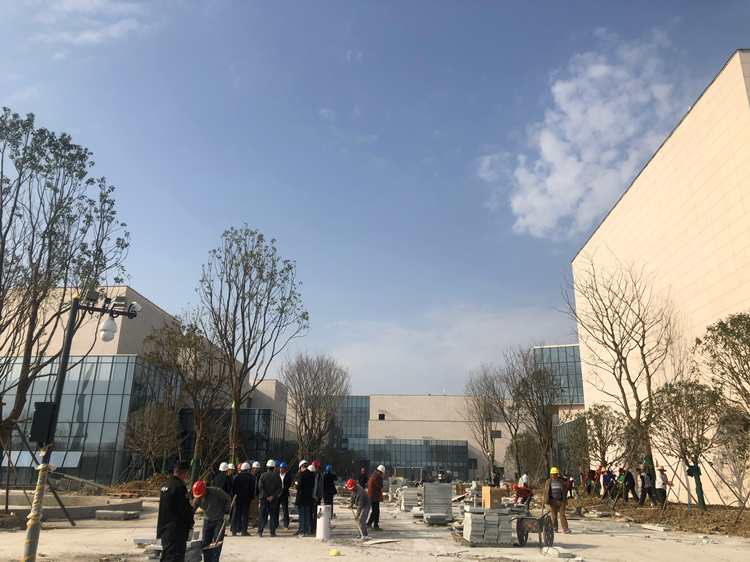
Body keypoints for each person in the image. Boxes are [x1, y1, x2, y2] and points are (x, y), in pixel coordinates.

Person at [157, 460, 195, 562]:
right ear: (186, 473)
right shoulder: (179, 487)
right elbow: (184, 509)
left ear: (174, 470)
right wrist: (190, 522)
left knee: (166, 557)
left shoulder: (166, 485)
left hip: (165, 531)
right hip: (176, 532)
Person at [192, 480, 231, 562]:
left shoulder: (217, 492)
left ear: (205, 490)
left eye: (201, 494)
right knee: (205, 542)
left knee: (217, 542)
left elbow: (228, 499)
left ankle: (214, 560)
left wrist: (226, 512)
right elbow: (192, 509)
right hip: (207, 520)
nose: (200, 497)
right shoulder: (198, 498)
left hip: (219, 520)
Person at [257, 459, 282, 537]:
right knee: (273, 516)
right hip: (273, 499)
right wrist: (273, 496)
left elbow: (260, 487)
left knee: (262, 515)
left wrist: (266, 495)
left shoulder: (262, 476)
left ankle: (260, 531)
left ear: (266, 467)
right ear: (274, 467)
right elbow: (279, 488)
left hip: (264, 498)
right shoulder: (277, 477)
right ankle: (272, 532)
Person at [542, 467, 571, 534]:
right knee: (554, 516)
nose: (553, 475)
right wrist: (546, 500)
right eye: (552, 474)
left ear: (557, 474)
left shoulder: (561, 482)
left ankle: (565, 529)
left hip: (561, 501)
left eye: (555, 474)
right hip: (553, 501)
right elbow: (546, 491)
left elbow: (564, 491)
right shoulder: (548, 482)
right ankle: (555, 528)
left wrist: (565, 499)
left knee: (562, 515)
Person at [231, 462, 254, 536]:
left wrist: (234, 496)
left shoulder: (237, 477)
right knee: (245, 514)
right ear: (247, 470)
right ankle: (244, 531)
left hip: (237, 498)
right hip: (246, 499)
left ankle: (234, 530)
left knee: (235, 514)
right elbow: (252, 489)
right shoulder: (250, 478)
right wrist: (252, 498)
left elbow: (233, 488)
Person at [294, 460, 315, 537]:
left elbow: (298, 485)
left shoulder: (301, 475)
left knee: (301, 514)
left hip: (301, 497)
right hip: (309, 497)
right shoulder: (312, 475)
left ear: (301, 467)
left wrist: (296, 483)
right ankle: (306, 530)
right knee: (307, 514)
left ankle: (301, 530)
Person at [366, 464, 384, 531]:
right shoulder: (376, 477)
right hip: (374, 497)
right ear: (380, 472)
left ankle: (373, 524)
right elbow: (380, 485)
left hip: (373, 496)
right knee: (375, 512)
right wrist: (382, 478)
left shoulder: (374, 476)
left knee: (375, 511)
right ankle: (371, 524)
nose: (382, 475)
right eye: (382, 473)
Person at [310, 461, 324, 533]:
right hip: (312, 496)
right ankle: (312, 526)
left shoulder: (319, 475)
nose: (315, 469)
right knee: (311, 512)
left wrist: (317, 495)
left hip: (317, 497)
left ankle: (315, 527)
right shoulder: (312, 474)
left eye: (315, 467)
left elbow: (320, 486)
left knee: (315, 512)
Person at [278, 462, 292, 530]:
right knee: (276, 509)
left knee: (285, 509)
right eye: (280, 468)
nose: (281, 470)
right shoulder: (277, 476)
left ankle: (286, 524)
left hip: (284, 494)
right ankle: (276, 523)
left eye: (283, 468)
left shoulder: (288, 476)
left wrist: (282, 491)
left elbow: (288, 485)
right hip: (278, 494)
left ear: (285, 469)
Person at [249, 461, 261, 528]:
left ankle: (253, 523)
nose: (256, 470)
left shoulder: (260, 476)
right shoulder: (249, 475)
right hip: (250, 495)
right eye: (255, 468)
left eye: (257, 468)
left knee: (255, 510)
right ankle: (247, 522)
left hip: (257, 495)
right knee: (248, 509)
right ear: (252, 468)